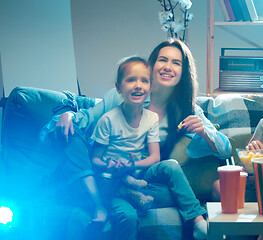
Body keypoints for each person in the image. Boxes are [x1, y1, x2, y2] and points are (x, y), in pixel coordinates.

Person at [41, 39, 232, 240]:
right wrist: (68, 114)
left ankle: (118, 193)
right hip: (107, 171)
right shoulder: (125, 96)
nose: (168, 67)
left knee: (171, 191)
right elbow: (85, 119)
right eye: (163, 60)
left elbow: (225, 149)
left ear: (183, 72)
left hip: (143, 179)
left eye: (176, 63)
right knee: (70, 140)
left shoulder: (187, 109)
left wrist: (204, 132)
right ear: (151, 66)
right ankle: (102, 197)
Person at [91, 56, 158, 212]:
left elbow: (155, 157)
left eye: (144, 81)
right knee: (110, 182)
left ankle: (130, 190)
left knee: (167, 170)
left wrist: (131, 165)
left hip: (134, 171)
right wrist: (108, 165)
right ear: (118, 87)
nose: (138, 86)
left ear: (151, 87)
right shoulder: (107, 120)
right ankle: (128, 192)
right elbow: (95, 159)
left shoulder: (152, 118)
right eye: (131, 80)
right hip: (111, 173)